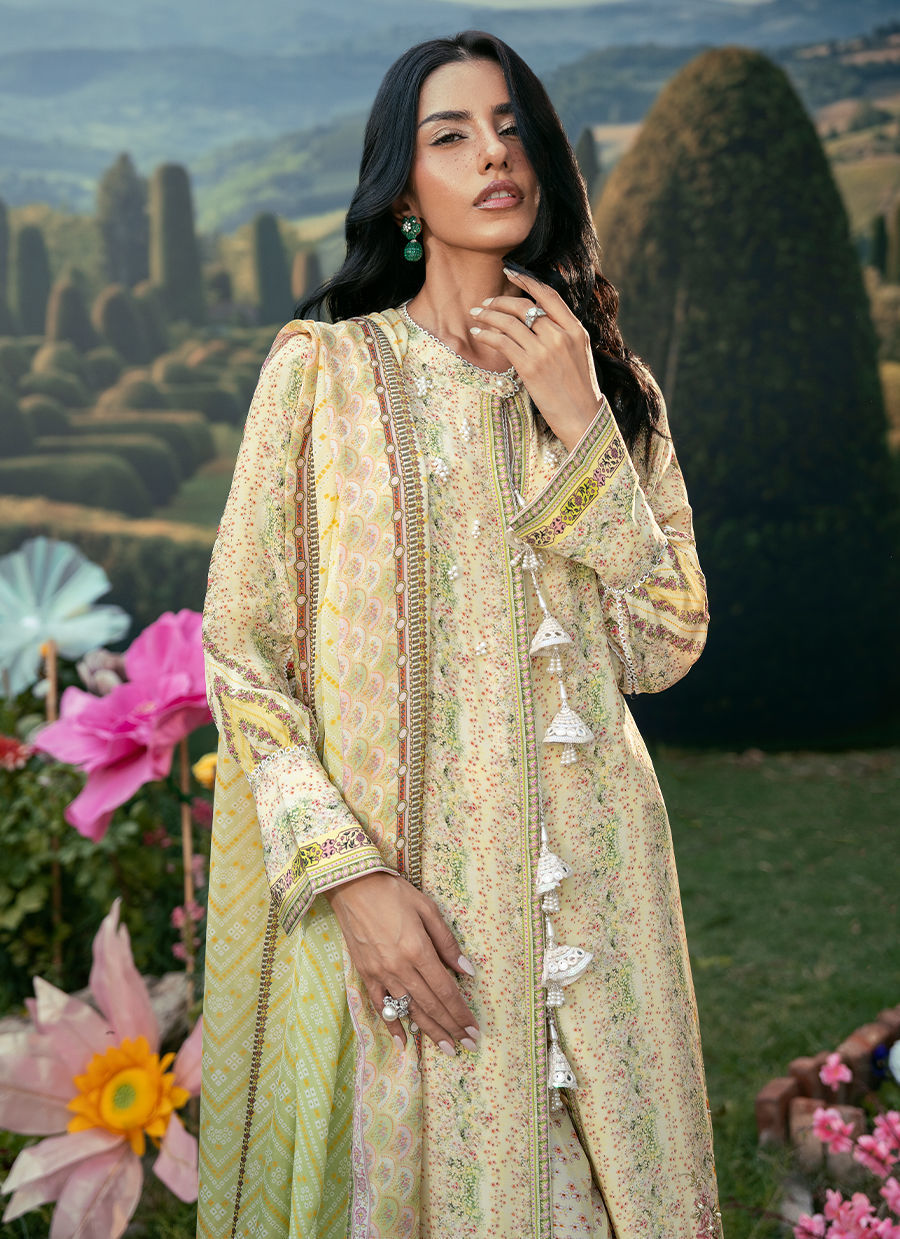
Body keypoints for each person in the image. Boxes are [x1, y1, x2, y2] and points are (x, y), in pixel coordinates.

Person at [197, 28, 724, 1239]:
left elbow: (664, 645)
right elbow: (241, 648)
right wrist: (350, 878)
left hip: (604, 899)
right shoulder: (324, 376)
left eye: (512, 127)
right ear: (402, 193)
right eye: (452, 135)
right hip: (419, 911)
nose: (495, 154)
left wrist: (580, 423)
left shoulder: (612, 388)